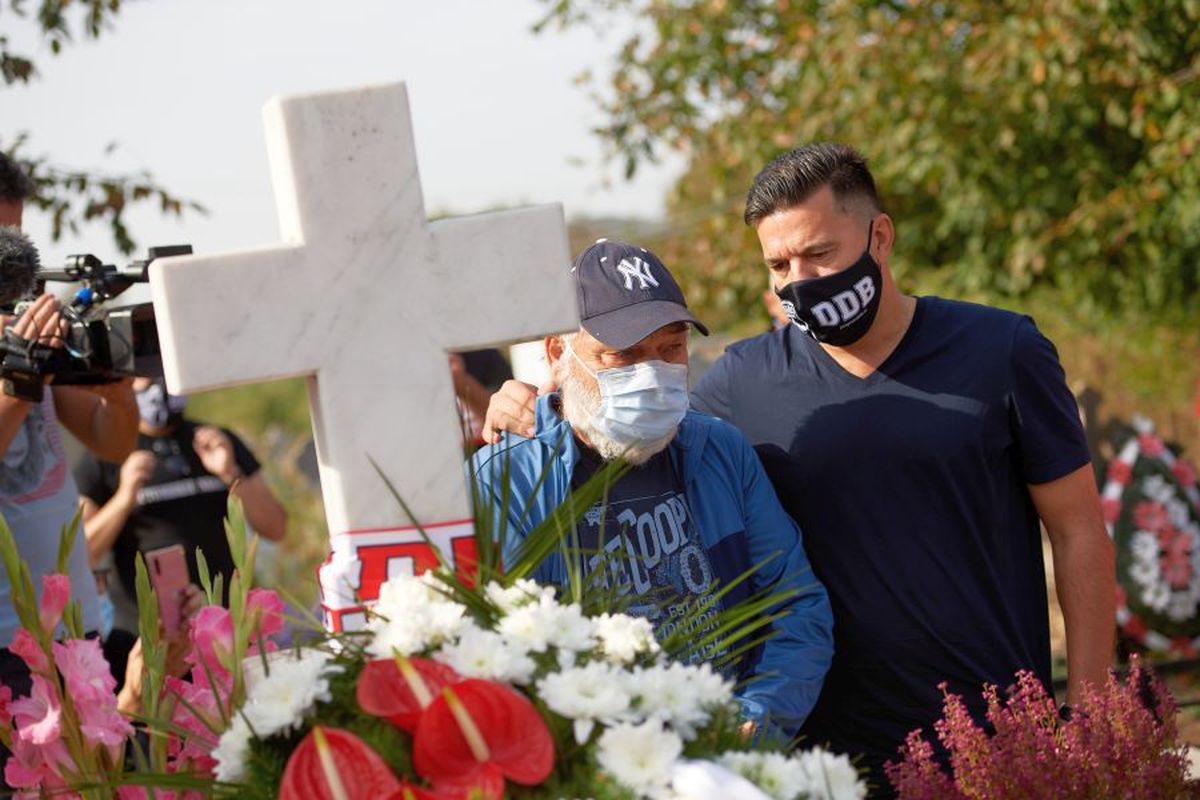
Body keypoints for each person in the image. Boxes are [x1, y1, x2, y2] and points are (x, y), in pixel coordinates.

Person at [482, 145, 1115, 795]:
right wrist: (532, 399)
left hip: (993, 742)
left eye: (819, 254)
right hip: (821, 760)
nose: (799, 280)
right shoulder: (740, 382)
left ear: (880, 235)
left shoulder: (1002, 351)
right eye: (778, 264)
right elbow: (631, 434)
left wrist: (1092, 721)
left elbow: (1079, 533)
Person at [471, 239, 833, 737]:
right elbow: (498, 662)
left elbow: (794, 604)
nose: (652, 374)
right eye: (623, 355)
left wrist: (756, 719)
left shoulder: (720, 451)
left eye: (670, 348)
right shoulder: (508, 482)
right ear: (559, 353)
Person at [0, 152, 139, 699]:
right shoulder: (22, 343)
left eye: (17, 241)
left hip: (77, 632)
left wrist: (118, 391)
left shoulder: (20, 323)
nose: (14, 264)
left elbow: (113, 439)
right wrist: (21, 375)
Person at [75, 377, 287, 683]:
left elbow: (276, 527)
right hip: (151, 642)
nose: (159, 385)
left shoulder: (215, 440)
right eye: (149, 375)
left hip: (226, 632)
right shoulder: (106, 455)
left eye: (166, 372)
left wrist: (231, 473)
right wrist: (124, 498)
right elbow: (80, 553)